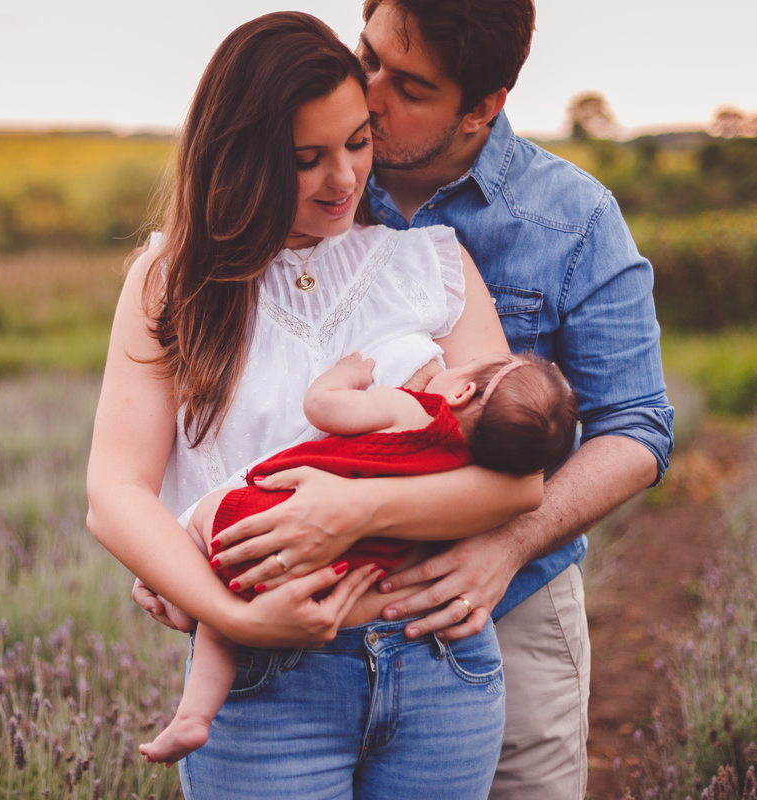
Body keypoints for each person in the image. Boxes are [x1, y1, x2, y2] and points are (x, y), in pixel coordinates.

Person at [155, 2, 675, 798]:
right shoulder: (312, 180)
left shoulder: (571, 219)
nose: (368, 93)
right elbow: (236, 391)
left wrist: (507, 542)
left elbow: (637, 426)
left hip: (498, 608)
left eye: (408, 85)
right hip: (302, 621)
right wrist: (183, 541)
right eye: (368, 57)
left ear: (483, 106)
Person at [87, 12, 548, 798]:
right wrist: (233, 620)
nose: (343, 179)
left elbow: (517, 484)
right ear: (241, 157)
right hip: (263, 686)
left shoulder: (431, 265)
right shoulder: (172, 283)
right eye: (307, 158)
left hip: (438, 665)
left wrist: (356, 513)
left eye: (358, 142)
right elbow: (115, 494)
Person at [140, 350, 579, 765]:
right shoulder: (466, 481)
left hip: (269, 522)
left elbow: (322, 406)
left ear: (462, 392)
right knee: (225, 627)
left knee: (202, 527)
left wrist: (349, 374)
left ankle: (188, 663)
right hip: (336, 573)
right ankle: (193, 717)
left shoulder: (414, 410)